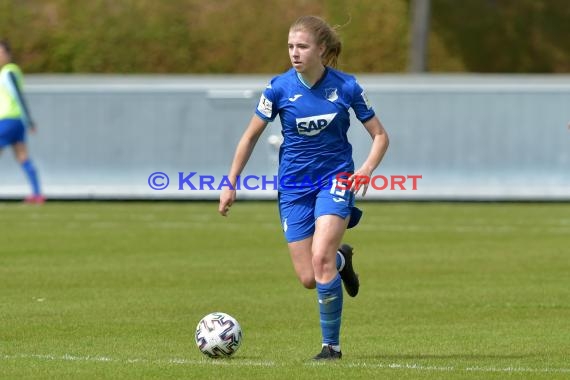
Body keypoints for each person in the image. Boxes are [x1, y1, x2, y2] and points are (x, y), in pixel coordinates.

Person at [218, 15, 389, 360]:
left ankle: (331, 348)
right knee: (310, 277)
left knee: (320, 257)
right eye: (291, 47)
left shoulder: (347, 87)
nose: (294, 53)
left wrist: (367, 170)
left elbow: (380, 136)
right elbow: (250, 136)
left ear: (321, 49)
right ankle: (343, 260)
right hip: (294, 186)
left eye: (302, 46)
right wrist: (230, 182)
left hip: (336, 179)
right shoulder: (278, 88)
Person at [0, 40, 44, 203]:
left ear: (8, 55)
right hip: (16, 121)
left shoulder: (8, 72)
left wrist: (29, 120)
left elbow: (18, 96)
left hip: (8, 120)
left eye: (1, 53)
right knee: (22, 157)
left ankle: (37, 193)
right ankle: (37, 193)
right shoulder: (11, 72)